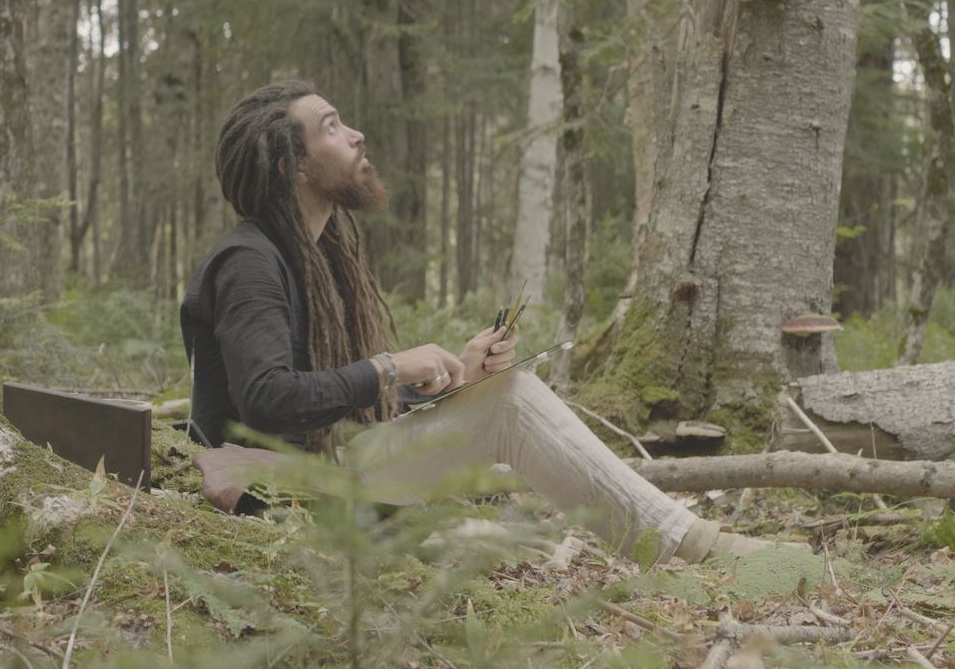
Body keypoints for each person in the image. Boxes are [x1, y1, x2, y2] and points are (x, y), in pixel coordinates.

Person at [181, 80, 771, 564]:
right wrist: (388, 366)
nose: (356, 135)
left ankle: (682, 544)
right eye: (331, 127)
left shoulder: (319, 254)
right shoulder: (249, 262)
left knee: (501, 393)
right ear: (292, 167)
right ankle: (691, 549)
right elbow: (267, 399)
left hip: (325, 471)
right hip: (275, 493)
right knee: (512, 402)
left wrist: (451, 380)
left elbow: (332, 402)